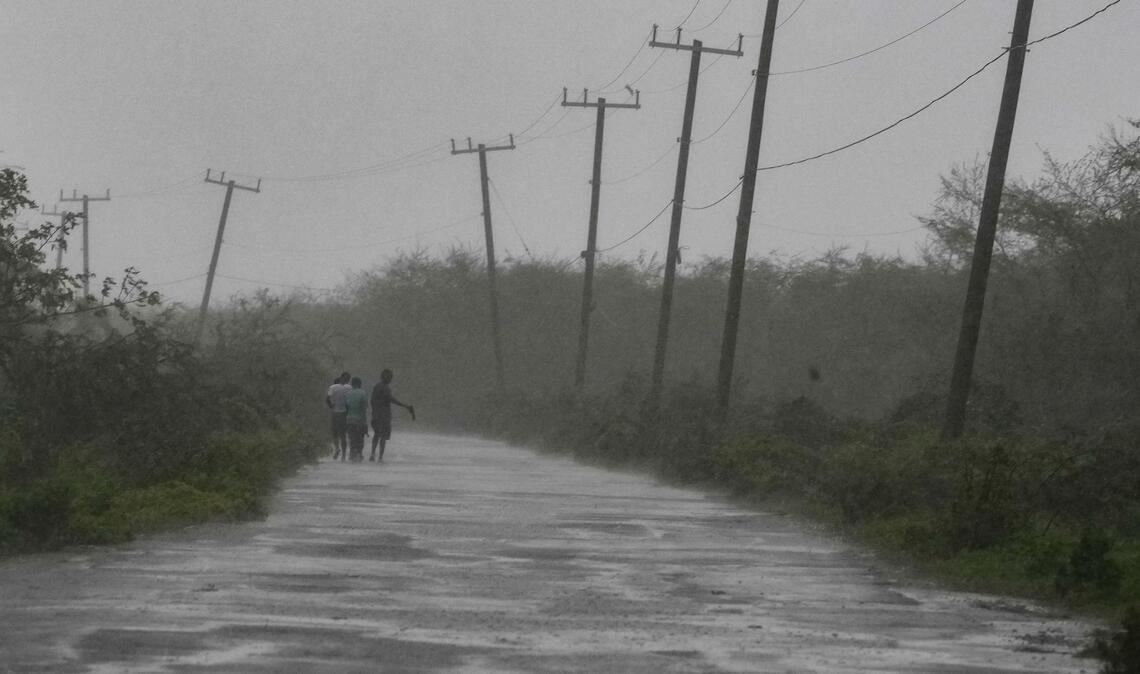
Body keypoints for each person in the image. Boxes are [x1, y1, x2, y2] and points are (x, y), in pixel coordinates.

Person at [370, 368, 414, 462]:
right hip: (384, 416)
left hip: (376, 415)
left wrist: (374, 412)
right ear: (385, 377)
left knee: (377, 435)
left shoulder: (376, 386)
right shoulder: (385, 388)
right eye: (390, 377)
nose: (390, 379)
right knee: (383, 437)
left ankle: (373, 454)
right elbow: (391, 399)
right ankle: (380, 457)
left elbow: (372, 401)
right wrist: (405, 406)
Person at [326, 371, 351, 461]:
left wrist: (331, 406)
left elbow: (327, 399)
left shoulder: (333, 387)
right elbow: (350, 402)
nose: (347, 380)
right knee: (341, 434)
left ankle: (338, 450)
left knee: (335, 433)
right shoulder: (349, 388)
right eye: (347, 379)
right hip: (343, 414)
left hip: (336, 413)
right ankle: (342, 454)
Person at [344, 376, 369, 462]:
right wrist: (364, 422)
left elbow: (346, 408)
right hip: (359, 420)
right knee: (360, 439)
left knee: (352, 438)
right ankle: (359, 454)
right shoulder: (363, 393)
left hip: (349, 420)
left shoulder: (348, 394)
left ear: (352, 384)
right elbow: (363, 409)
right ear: (359, 384)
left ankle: (351, 454)